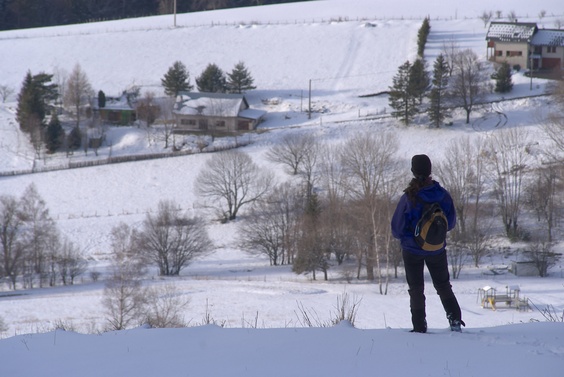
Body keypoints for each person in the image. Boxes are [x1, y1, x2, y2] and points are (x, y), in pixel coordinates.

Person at [391, 154, 465, 333]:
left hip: (412, 250)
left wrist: (412, 237)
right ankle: (455, 322)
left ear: (413, 171)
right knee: (443, 286)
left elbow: (397, 229)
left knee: (416, 289)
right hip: (437, 249)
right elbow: (451, 223)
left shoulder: (409, 197)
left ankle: (419, 327)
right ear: (430, 170)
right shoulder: (443, 195)